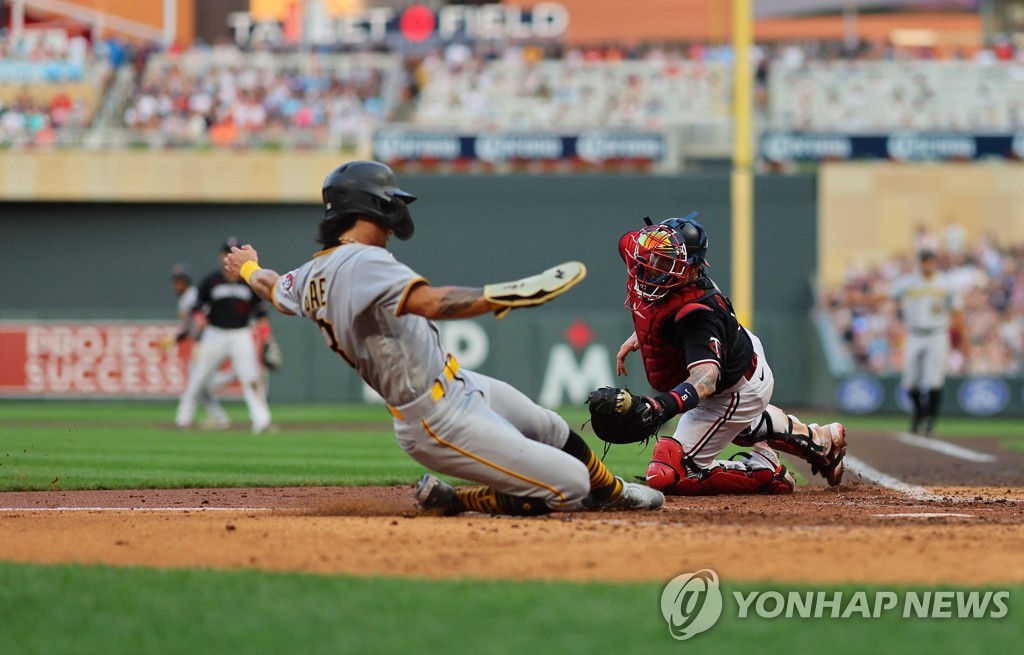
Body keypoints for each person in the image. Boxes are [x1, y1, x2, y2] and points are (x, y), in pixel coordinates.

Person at [222, 160, 664, 515]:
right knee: (567, 486)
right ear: (369, 206)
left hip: (456, 384)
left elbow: (272, 287)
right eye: (389, 200)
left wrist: (247, 267)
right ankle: (457, 500)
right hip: (434, 416)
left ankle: (610, 491)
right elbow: (430, 302)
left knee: (546, 424)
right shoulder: (360, 262)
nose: (397, 210)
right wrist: (503, 295)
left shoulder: (316, 271)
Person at [587, 214, 847, 495]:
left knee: (667, 475)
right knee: (740, 427)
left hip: (734, 388)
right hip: (737, 354)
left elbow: (705, 380)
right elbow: (661, 307)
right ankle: (820, 442)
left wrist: (661, 407)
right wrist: (643, 334)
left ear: (690, 268)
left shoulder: (699, 314)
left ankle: (765, 472)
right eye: (651, 255)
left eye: (663, 260)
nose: (649, 265)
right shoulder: (657, 273)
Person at [175, 239, 274, 434]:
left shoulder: (249, 279)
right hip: (215, 334)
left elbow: (261, 314)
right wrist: (198, 317)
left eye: (233, 251)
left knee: (251, 378)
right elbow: (196, 306)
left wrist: (266, 338)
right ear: (221, 256)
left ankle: (261, 422)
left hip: (241, 335)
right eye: (226, 252)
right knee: (199, 377)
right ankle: (183, 418)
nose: (229, 255)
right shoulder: (211, 280)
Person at [889, 249, 967, 435]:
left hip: (937, 334)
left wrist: (964, 339)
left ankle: (930, 420)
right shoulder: (908, 281)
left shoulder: (945, 282)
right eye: (923, 260)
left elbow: (957, 311)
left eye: (929, 260)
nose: (926, 263)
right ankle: (920, 413)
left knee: (934, 380)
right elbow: (888, 295)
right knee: (909, 381)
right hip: (914, 333)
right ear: (920, 262)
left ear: (934, 261)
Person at [164, 263, 233, 430]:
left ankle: (184, 419)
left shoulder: (191, 296)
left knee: (196, 382)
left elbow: (202, 319)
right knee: (200, 385)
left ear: (186, 282)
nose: (177, 285)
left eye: (180, 281)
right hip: (204, 341)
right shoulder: (186, 297)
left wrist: (179, 339)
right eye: (175, 281)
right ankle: (219, 418)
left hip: (207, 341)